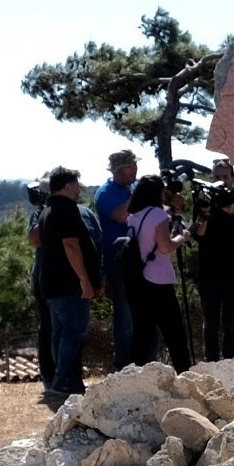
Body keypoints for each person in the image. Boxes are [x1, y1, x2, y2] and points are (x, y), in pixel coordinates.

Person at [33, 167, 99, 405]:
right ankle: (63, 380)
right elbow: (71, 245)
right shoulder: (66, 210)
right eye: (77, 185)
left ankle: (67, 380)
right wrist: (84, 278)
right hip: (68, 284)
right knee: (73, 331)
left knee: (60, 333)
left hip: (51, 283)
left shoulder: (47, 210)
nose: (80, 189)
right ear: (68, 186)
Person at [123, 175, 193, 366]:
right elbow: (164, 246)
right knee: (175, 334)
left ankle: (136, 375)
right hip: (158, 280)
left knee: (142, 333)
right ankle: (183, 374)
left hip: (137, 280)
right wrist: (182, 238)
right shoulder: (158, 215)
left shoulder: (133, 216)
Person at [193, 170, 234, 359]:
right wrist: (205, 211)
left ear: (233, 178)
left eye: (226, 177)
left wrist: (232, 211)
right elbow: (198, 235)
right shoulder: (205, 202)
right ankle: (211, 362)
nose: (222, 181)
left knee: (231, 321)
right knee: (210, 323)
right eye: (218, 177)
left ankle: (230, 361)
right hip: (209, 273)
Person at [93, 148, 141, 367]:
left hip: (139, 260)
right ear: (121, 170)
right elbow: (121, 215)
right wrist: (141, 196)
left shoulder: (129, 190)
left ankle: (142, 363)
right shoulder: (105, 193)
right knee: (125, 319)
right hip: (119, 263)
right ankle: (124, 366)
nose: (136, 170)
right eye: (132, 166)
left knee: (142, 316)